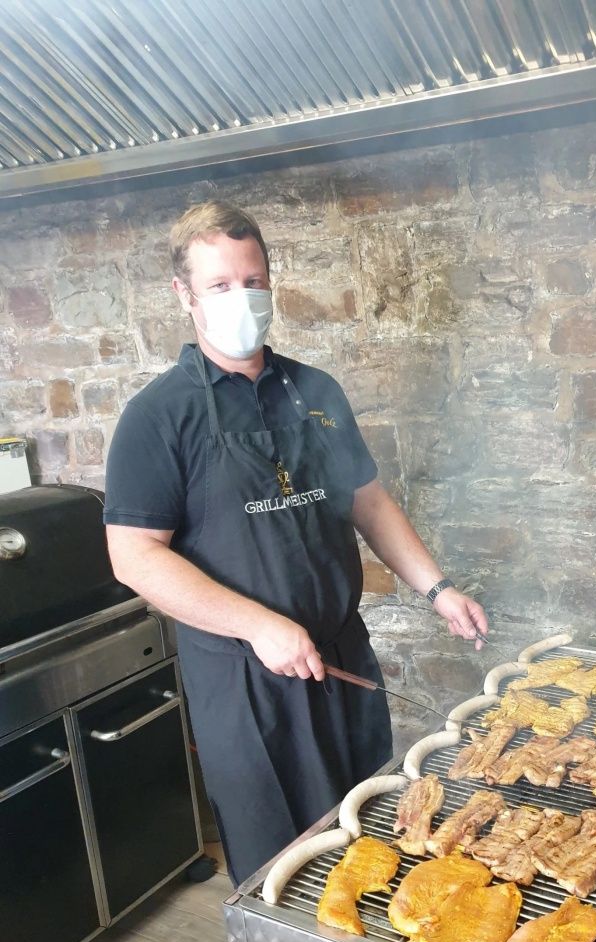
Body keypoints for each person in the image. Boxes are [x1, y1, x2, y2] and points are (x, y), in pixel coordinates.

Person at [104, 201, 487, 885]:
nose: (242, 297)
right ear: (185, 295)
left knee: (374, 833)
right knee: (284, 868)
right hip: (247, 683)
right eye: (221, 285)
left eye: (253, 281)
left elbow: (368, 500)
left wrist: (439, 589)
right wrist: (258, 626)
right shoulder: (157, 417)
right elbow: (134, 556)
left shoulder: (315, 391)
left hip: (342, 656)